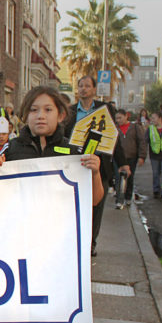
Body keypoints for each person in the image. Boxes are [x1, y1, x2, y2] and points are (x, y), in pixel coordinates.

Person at [0, 86, 103, 323]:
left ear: (61, 115)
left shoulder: (76, 151)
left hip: (59, 247)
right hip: (20, 243)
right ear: (25, 115)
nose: (41, 116)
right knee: (25, 312)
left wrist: (95, 171)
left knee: (54, 315)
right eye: (34, 110)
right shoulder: (12, 149)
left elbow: (94, 198)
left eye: (48, 109)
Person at [64, 75, 128, 256]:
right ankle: (76, 241)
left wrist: (122, 163)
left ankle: (91, 243)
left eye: (87, 86)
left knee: (96, 207)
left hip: (100, 168)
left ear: (94, 89)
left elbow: (113, 138)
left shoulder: (105, 109)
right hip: (75, 166)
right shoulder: (69, 112)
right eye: (80, 86)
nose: (83, 89)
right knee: (75, 206)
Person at [114, 109, 147, 208]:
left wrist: (142, 156)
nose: (118, 120)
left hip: (132, 156)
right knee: (118, 178)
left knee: (130, 178)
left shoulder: (135, 127)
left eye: (120, 118)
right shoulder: (115, 129)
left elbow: (141, 142)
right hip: (118, 158)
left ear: (126, 116)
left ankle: (128, 197)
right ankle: (119, 199)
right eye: (116, 118)